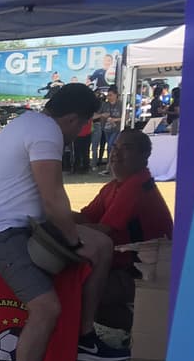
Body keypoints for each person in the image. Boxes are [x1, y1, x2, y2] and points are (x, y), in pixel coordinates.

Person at [0, 82, 129, 361]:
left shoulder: (31, 124)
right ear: (72, 118)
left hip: (21, 227)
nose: (79, 134)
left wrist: (80, 234)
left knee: (100, 246)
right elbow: (53, 198)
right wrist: (72, 241)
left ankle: (86, 337)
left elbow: (52, 201)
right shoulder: (45, 131)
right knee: (46, 307)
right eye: (82, 126)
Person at [74, 128, 174, 330]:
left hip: (142, 272)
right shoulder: (114, 186)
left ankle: (134, 331)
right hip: (123, 267)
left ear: (144, 155)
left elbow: (102, 231)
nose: (116, 154)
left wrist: (61, 225)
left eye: (126, 148)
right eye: (114, 147)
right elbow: (85, 217)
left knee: (80, 289)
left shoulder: (137, 186)